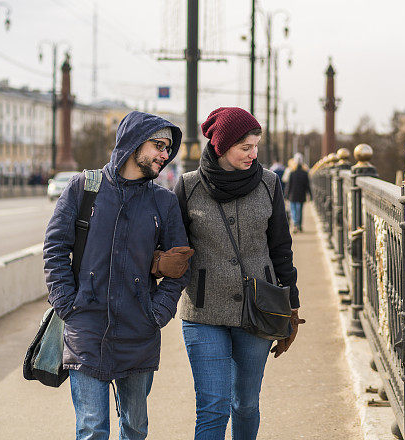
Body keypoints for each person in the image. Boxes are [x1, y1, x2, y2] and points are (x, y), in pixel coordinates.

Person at [43, 111, 192, 440]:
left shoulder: (163, 202)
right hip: (86, 330)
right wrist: (68, 304)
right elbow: (55, 248)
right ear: (133, 143)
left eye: (169, 148)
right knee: (92, 428)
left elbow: (180, 265)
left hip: (139, 333)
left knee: (135, 427)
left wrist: (158, 311)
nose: (165, 155)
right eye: (158, 145)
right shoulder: (84, 188)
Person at [174, 107, 305, 440]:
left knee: (245, 403)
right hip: (203, 312)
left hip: (257, 310)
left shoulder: (269, 184)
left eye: (256, 146)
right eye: (245, 147)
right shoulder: (188, 187)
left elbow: (281, 248)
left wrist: (292, 304)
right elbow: (174, 248)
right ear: (221, 146)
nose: (253, 154)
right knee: (213, 405)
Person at [285, 153, 311, 233]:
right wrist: (310, 195)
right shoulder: (305, 173)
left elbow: (289, 185)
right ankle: (299, 225)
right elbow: (307, 186)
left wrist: (286, 195)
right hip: (301, 195)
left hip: (292, 195)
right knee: (299, 211)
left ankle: (296, 225)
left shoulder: (292, 173)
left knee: (294, 211)